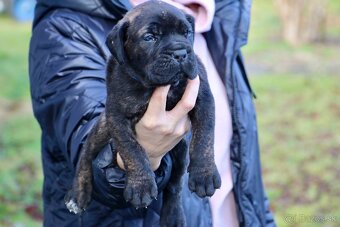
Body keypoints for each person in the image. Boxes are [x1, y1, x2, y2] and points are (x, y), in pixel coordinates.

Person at [28, 0, 276, 226]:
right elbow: (90, 134)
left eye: (184, 35)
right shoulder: (66, 27)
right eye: (151, 37)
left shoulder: (218, 17)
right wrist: (142, 157)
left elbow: (240, 151)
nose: (179, 50)